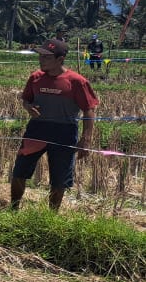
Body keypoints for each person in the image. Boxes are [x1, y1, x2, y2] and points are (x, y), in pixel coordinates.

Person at [9, 39, 99, 211]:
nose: (41, 60)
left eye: (47, 57)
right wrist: (28, 107)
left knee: (59, 179)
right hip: (37, 129)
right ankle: (13, 209)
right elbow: (26, 99)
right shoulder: (35, 78)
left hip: (64, 131)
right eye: (41, 56)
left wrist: (86, 140)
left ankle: (52, 216)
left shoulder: (76, 81)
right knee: (19, 170)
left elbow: (89, 110)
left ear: (60, 59)